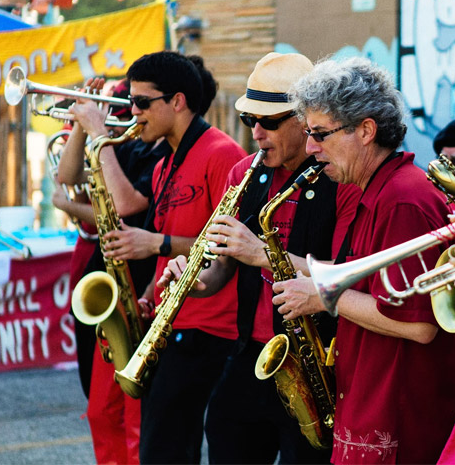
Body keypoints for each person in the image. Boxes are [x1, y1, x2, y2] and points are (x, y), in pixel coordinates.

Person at [158, 52, 359, 464]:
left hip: (318, 359)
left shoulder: (340, 177)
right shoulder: (244, 173)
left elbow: (346, 274)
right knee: (224, 433)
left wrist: (263, 253)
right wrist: (194, 279)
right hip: (252, 353)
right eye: (251, 121)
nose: (256, 133)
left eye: (268, 122)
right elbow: (220, 268)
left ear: (304, 120)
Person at [271, 57, 455, 464]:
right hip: (372, 410)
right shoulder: (370, 190)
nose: (310, 148)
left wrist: (323, 297)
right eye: (309, 134)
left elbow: (419, 325)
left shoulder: (403, 200)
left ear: (366, 131)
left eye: (321, 134)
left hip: (401, 423)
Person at [102, 51, 246, 464]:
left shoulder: (222, 153)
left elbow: (229, 240)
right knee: (161, 447)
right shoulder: (165, 163)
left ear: (177, 101)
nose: (133, 113)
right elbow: (166, 237)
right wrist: (147, 295)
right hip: (170, 322)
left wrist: (156, 244)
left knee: (165, 449)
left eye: (142, 103)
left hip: (210, 327)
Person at [54, 78, 170, 465]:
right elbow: (68, 178)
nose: (134, 114)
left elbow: (124, 205)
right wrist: (81, 125)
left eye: (140, 104)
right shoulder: (133, 146)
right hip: (108, 278)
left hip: (139, 285)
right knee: (100, 410)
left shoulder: (162, 154)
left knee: (132, 415)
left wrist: (99, 131)